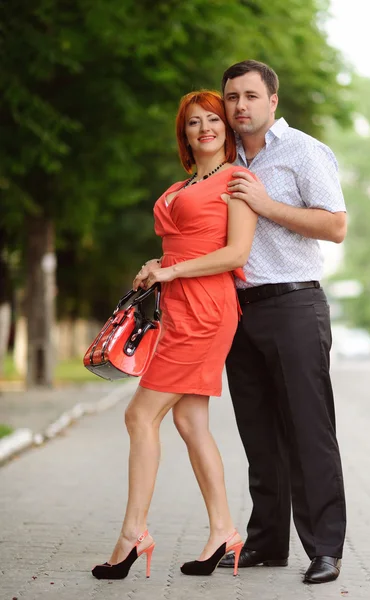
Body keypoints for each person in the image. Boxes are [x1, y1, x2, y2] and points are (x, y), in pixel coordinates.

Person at [91, 90, 257, 580]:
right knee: (190, 424)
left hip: (206, 309)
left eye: (213, 119)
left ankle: (132, 533)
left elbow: (235, 254)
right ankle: (224, 530)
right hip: (178, 306)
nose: (204, 127)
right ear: (183, 134)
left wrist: (172, 271)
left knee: (139, 415)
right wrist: (156, 267)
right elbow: (179, 246)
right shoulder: (182, 184)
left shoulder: (238, 179)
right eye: (193, 123)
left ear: (227, 128)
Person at [217, 60, 347, 584]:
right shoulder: (224, 160)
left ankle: (325, 549)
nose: (239, 106)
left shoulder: (304, 151)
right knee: (259, 434)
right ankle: (268, 543)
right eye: (231, 98)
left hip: (294, 305)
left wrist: (267, 205)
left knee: (308, 431)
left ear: (273, 100)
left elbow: (335, 225)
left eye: (250, 95)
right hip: (239, 310)